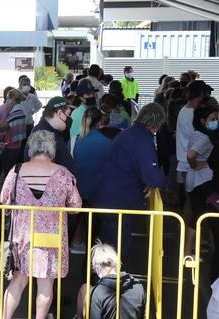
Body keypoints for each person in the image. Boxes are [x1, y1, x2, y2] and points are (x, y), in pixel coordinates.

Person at [0, 130, 82, 319]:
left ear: (30, 149)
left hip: (22, 236)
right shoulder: (63, 173)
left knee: (18, 281)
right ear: (52, 150)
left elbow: (4, 202)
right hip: (51, 237)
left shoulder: (16, 171)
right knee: (46, 285)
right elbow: (76, 206)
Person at [92, 103, 167, 257]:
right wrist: (161, 182)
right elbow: (151, 175)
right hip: (117, 201)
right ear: (156, 124)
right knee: (116, 247)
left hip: (109, 196)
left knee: (107, 245)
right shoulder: (142, 140)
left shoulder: (132, 134)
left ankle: (103, 277)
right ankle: (111, 279)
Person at [73, 242, 146, 319]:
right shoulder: (137, 285)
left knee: (85, 288)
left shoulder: (97, 291)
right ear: (117, 263)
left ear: (97, 268)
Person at [176, 80, 214, 256]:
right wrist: (197, 163)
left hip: (186, 163)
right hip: (190, 165)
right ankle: (189, 241)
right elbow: (193, 154)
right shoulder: (192, 117)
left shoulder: (185, 110)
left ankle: (189, 239)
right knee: (194, 207)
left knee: (191, 204)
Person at [70, 108, 113, 253]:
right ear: (100, 122)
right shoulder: (107, 142)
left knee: (73, 227)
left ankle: (74, 246)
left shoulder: (74, 140)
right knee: (95, 235)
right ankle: (92, 266)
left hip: (76, 193)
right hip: (99, 194)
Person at [187, 100, 219, 279]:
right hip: (204, 183)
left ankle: (193, 249)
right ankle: (190, 250)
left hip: (200, 183)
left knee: (198, 218)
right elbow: (191, 155)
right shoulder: (206, 138)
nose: (216, 121)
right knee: (198, 218)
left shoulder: (197, 134)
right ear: (202, 120)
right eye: (213, 118)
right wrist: (198, 164)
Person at [25, 97, 76, 174]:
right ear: (59, 114)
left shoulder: (49, 131)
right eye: (68, 115)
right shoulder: (43, 138)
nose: (70, 119)